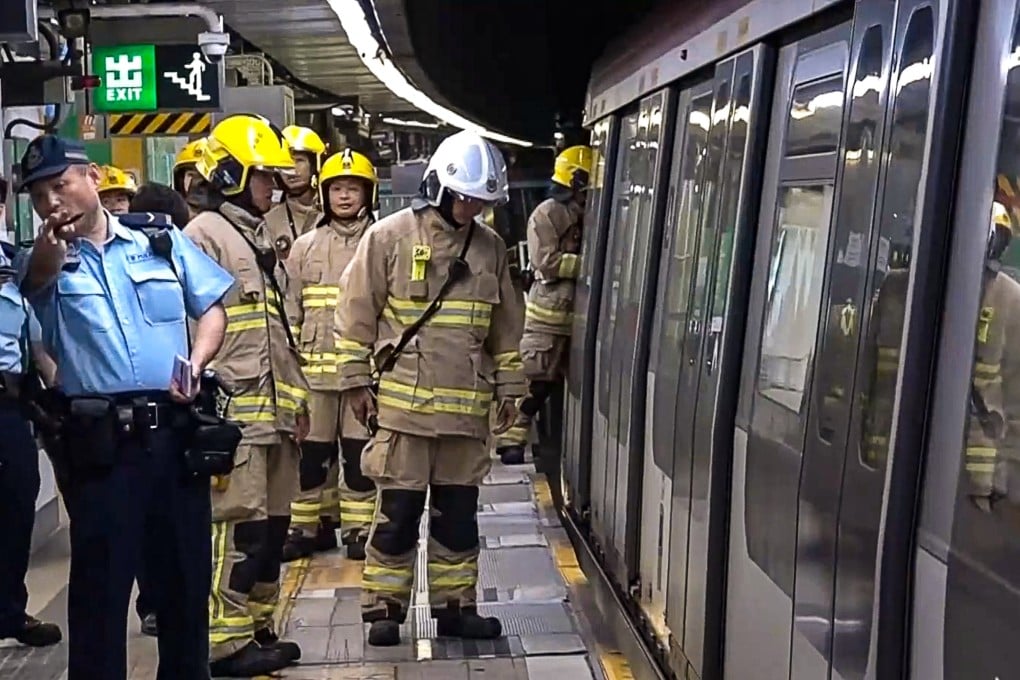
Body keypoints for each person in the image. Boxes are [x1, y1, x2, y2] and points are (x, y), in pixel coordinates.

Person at [17, 134, 233, 679]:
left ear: (90, 176)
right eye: (38, 196)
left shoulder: (158, 242)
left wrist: (198, 361)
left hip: (175, 435)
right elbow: (35, 280)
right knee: (101, 592)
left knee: (185, 584)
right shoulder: (46, 261)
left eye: (58, 186)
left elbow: (210, 310)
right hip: (103, 448)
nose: (51, 203)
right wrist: (47, 255)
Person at [335, 130, 525, 647]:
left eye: (481, 203)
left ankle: (456, 606)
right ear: (439, 187)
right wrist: (354, 383)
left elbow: (506, 328)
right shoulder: (390, 236)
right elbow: (355, 312)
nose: (471, 210)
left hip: (466, 417)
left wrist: (511, 389)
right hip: (403, 414)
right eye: (465, 198)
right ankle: (384, 609)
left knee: (457, 520)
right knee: (396, 517)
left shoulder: (490, 249)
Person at [184, 113, 310, 677]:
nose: (273, 186)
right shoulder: (203, 235)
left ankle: (258, 627)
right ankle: (222, 642)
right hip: (237, 415)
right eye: (261, 175)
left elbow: (276, 328)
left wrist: (298, 399)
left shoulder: (256, 234)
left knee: (273, 528)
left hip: (276, 417)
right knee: (236, 528)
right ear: (230, 172)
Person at [281, 149, 378, 563]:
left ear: (367, 193)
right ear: (324, 193)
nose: (344, 197)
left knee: (360, 458)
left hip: (363, 377)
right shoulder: (304, 247)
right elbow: (290, 311)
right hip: (313, 378)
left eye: (352, 188)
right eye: (337, 188)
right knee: (310, 457)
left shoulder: (381, 241)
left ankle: (359, 530)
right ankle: (304, 528)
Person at [494, 145, 591, 465]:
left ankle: (556, 448)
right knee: (536, 383)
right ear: (577, 180)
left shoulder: (587, 211)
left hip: (579, 314)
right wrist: (590, 265)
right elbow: (546, 262)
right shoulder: (547, 214)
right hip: (549, 315)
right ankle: (510, 441)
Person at [0, 236, 62, 649]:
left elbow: (33, 338)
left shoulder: (12, 264)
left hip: (9, 403)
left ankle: (8, 611)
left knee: (16, 505)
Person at [265, 125, 325, 260]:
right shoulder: (270, 220)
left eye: (299, 161)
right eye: (285, 162)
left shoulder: (334, 214)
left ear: (315, 164)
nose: (291, 169)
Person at [173, 138, 208, 222]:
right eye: (191, 175)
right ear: (181, 180)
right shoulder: (172, 214)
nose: (195, 182)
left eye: (202, 176)